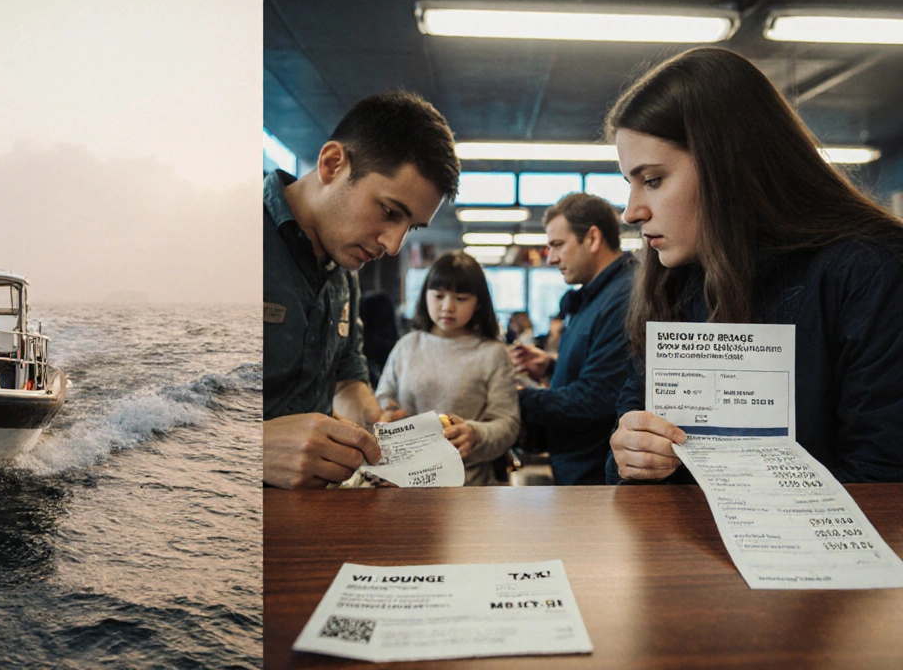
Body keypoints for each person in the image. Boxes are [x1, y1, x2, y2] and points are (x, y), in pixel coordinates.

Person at [605, 47, 903, 484]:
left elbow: (886, 481)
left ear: (726, 164)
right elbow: (630, 443)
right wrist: (630, 457)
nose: (631, 212)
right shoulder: (673, 281)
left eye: (652, 180)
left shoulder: (868, 272)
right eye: (630, 184)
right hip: (682, 548)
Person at [263, 91, 461, 489]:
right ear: (332, 164)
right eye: (389, 212)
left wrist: (377, 423)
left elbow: (346, 377)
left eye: (411, 228)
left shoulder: (344, 275)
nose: (392, 246)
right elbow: (129, 415)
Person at [510, 192, 636, 485]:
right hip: (574, 467)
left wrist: (518, 397)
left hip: (594, 476)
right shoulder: (592, 295)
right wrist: (551, 366)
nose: (551, 258)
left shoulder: (625, 298)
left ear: (592, 238)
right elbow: (604, 370)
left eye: (557, 245)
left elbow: (599, 397)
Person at [375, 251, 520, 486]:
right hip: (402, 483)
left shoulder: (492, 353)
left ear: (478, 302)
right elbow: (384, 395)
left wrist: (475, 433)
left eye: (460, 298)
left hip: (468, 485)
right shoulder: (408, 346)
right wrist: (389, 412)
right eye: (439, 296)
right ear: (425, 296)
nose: (447, 307)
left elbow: (507, 423)